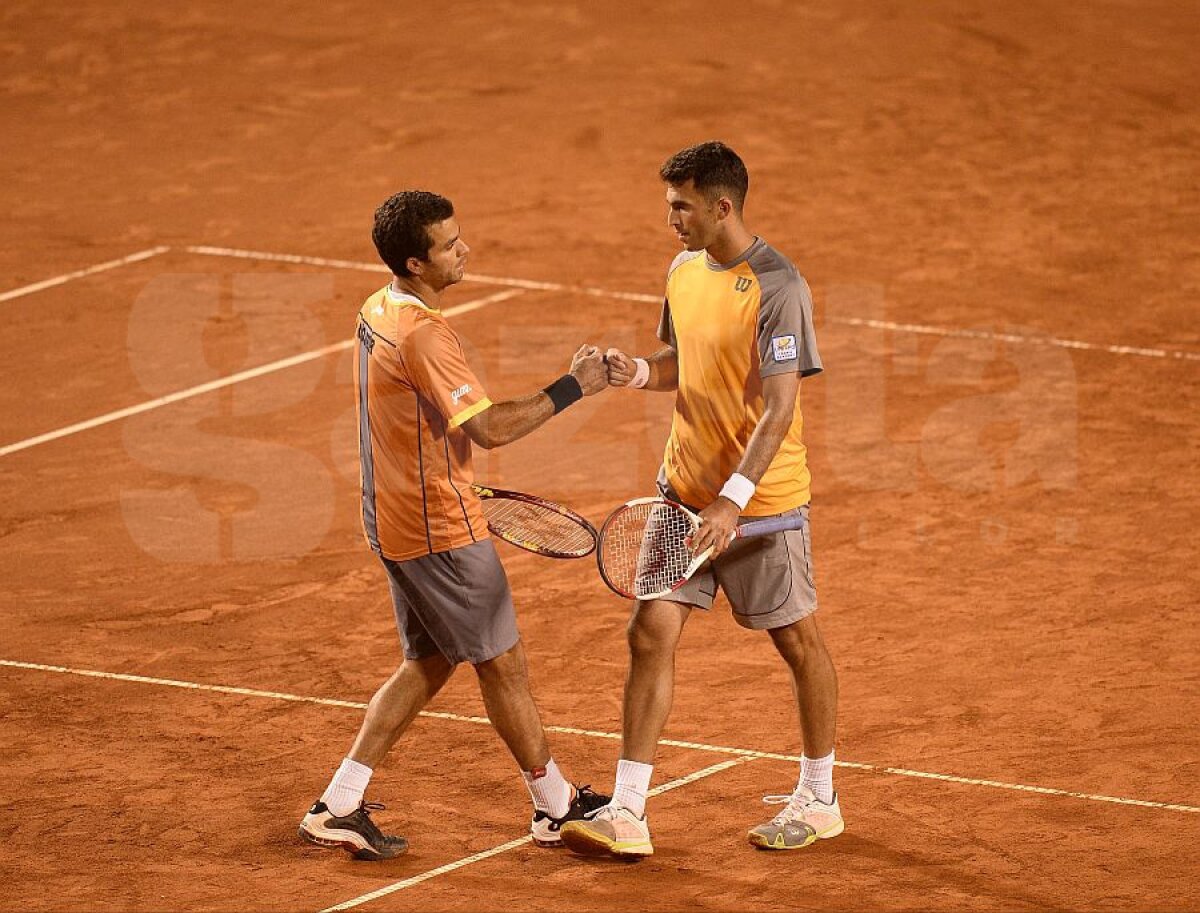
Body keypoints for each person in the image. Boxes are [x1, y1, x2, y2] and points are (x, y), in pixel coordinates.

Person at [299, 190, 609, 860]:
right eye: (448, 245)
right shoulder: (425, 334)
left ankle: (340, 802)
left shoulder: (378, 306)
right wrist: (574, 384)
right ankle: (555, 808)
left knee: (431, 659)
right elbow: (491, 428)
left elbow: (413, 420)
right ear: (415, 261)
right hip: (437, 524)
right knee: (502, 663)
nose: (463, 250)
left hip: (390, 509)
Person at [560, 142, 840, 857]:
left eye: (681, 206)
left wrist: (734, 501)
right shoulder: (682, 270)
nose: (670, 220)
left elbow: (779, 408)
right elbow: (680, 365)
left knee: (797, 641)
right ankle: (627, 810)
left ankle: (821, 795)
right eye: (667, 206)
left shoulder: (779, 286)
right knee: (649, 633)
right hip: (682, 498)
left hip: (761, 506)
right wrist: (629, 374)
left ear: (722, 206)